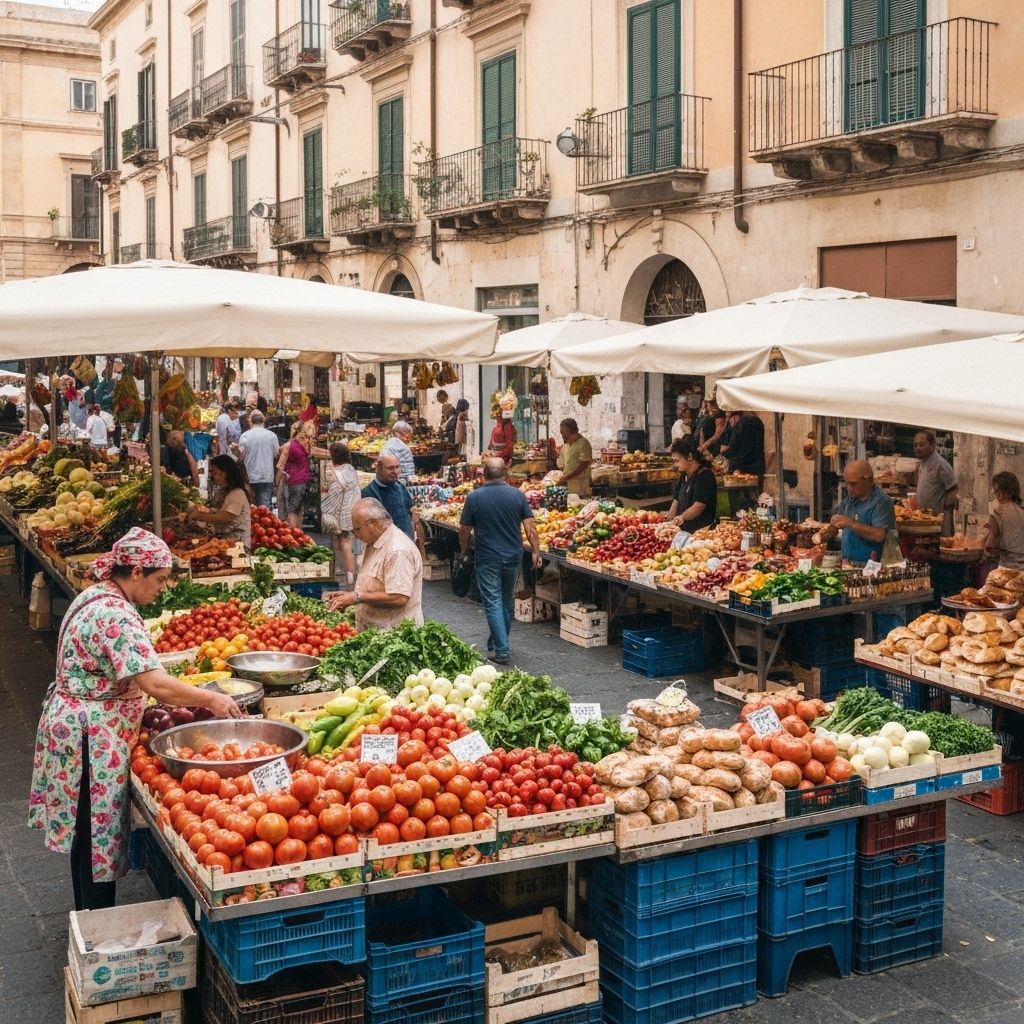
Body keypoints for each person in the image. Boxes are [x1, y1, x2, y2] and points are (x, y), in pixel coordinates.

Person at [28, 528, 242, 911]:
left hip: (72, 724)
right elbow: (158, 685)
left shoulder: (95, 595)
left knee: (85, 834)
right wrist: (212, 698)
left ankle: (88, 916)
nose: (162, 589)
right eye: (159, 580)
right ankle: (96, 923)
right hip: (91, 737)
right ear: (137, 572)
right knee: (95, 836)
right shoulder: (116, 615)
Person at [459, 458, 542, 665]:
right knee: (506, 601)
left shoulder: (474, 497)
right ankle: (497, 642)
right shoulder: (517, 495)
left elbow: (464, 530)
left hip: (488, 557)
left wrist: (464, 550)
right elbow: (530, 526)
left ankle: (502, 650)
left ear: (483, 475)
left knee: (493, 602)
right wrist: (535, 551)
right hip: (513, 556)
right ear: (505, 473)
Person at [324, 498, 423, 629]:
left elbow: (399, 597)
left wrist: (357, 597)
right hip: (377, 630)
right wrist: (349, 596)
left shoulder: (397, 550)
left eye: (357, 529)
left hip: (394, 633)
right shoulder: (375, 541)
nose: (355, 535)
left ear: (373, 523)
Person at [821, 460, 896, 565]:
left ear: (869, 480)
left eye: (853, 484)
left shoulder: (881, 501)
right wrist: (830, 530)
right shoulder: (850, 500)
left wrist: (850, 523)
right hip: (847, 563)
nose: (849, 488)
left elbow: (879, 535)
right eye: (846, 483)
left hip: (872, 567)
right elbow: (837, 527)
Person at [188, 454, 253, 548]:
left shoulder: (237, 493)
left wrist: (199, 516)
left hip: (237, 545)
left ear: (229, 473)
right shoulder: (224, 489)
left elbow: (225, 517)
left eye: (220, 474)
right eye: (214, 474)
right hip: (226, 542)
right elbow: (221, 510)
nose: (216, 477)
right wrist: (208, 510)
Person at [322, 441, 360, 586]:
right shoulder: (350, 469)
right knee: (343, 541)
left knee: (345, 542)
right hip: (352, 510)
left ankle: (350, 576)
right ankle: (343, 571)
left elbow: (333, 489)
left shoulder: (337, 472)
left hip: (342, 513)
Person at [667, 438, 718, 531]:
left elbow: (699, 506)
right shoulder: (684, 474)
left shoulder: (705, 475)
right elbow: (676, 499)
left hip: (701, 531)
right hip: (684, 529)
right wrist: (668, 520)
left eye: (677, 461)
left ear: (690, 456)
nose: (675, 464)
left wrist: (681, 518)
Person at [913, 430, 958, 535]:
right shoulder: (923, 464)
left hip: (938, 525)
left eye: (921, 445)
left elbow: (954, 491)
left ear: (933, 445)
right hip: (925, 522)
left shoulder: (941, 465)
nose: (917, 448)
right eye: (915, 445)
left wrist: (941, 509)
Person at [362, 453, 415, 540]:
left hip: (407, 542)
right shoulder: (369, 494)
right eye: (390, 468)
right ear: (378, 468)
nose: (395, 471)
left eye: (397, 467)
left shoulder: (400, 487)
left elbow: (410, 513)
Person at [237, 410, 280, 509]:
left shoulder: (245, 436)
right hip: (267, 475)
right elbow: (276, 454)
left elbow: (240, 456)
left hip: (250, 476)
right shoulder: (272, 436)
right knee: (264, 509)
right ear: (263, 421)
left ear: (251, 422)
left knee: (251, 507)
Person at [983, 472, 1024, 570]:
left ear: (1005, 493)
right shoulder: (1022, 511)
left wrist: (983, 548)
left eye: (997, 491)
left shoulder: (998, 513)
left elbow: (990, 547)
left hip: (1007, 569)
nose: (997, 494)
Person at [276, 421, 313, 528]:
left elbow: (280, 466)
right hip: (303, 481)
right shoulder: (307, 445)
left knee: (291, 511)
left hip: (292, 480)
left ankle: (293, 535)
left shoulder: (289, 446)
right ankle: (299, 533)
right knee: (299, 510)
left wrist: (277, 482)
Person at [556, 418, 593, 496]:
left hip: (580, 486)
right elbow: (562, 465)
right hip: (568, 486)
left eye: (564, 433)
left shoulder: (584, 444)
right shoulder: (565, 446)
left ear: (573, 432)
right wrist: (561, 477)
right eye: (561, 433)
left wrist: (567, 477)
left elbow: (583, 466)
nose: (562, 435)